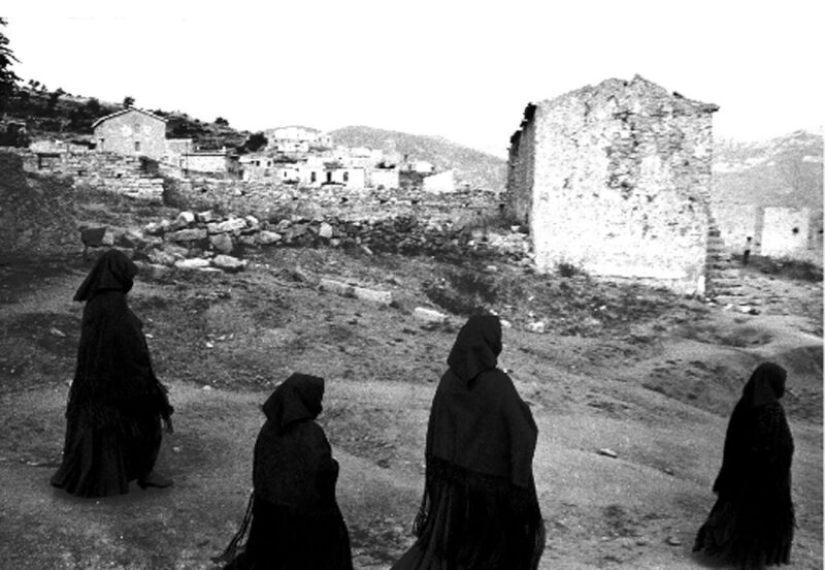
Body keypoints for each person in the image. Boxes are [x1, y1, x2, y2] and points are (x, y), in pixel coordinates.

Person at [391, 314, 545, 570]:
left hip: (451, 491)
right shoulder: (499, 385)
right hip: (486, 495)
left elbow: (436, 430)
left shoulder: (448, 381)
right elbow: (523, 432)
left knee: (449, 552)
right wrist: (517, 485)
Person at [51, 249, 174, 497]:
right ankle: (144, 473)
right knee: (145, 422)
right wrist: (144, 380)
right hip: (120, 380)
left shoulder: (96, 302)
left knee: (98, 430)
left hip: (94, 382)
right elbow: (126, 346)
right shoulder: (113, 304)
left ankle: (94, 475)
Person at [215, 373, 353, 570]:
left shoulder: (269, 428)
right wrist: (333, 466)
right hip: (303, 519)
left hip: (267, 513)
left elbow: (260, 468)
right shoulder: (310, 432)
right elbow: (322, 473)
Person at [693, 362, 795, 569]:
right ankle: (746, 558)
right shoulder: (771, 410)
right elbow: (774, 447)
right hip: (764, 477)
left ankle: (722, 550)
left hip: (740, 473)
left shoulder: (746, 403)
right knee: (756, 517)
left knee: (734, 512)